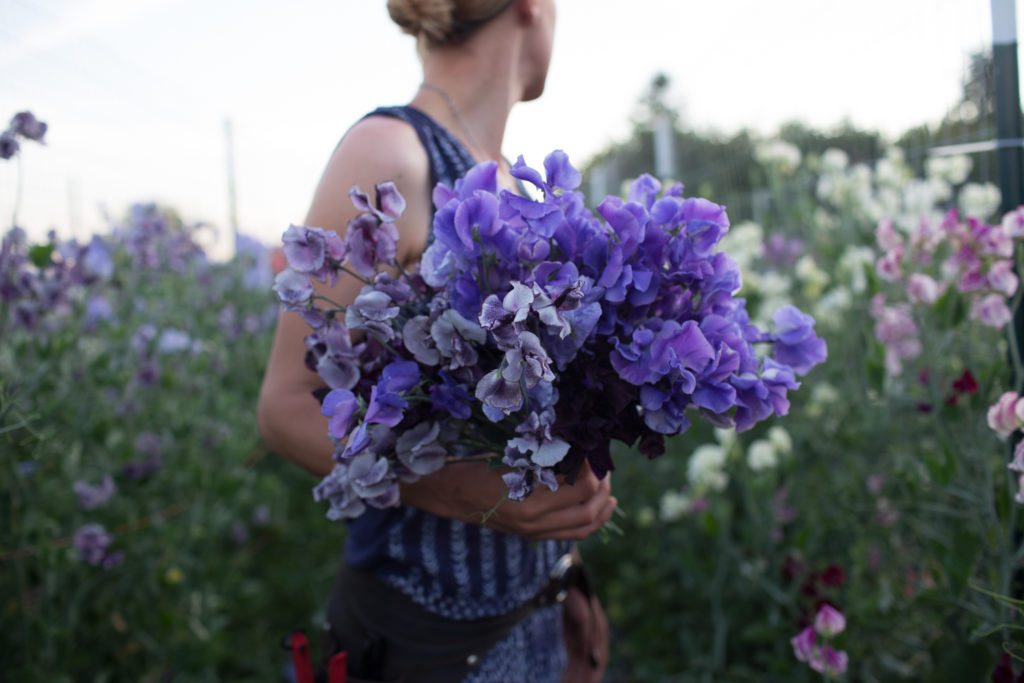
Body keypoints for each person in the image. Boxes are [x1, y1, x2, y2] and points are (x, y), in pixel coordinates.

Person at [257, 1, 613, 680]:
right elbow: (286, 404)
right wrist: (469, 493)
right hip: (429, 639)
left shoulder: (508, 174)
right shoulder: (393, 150)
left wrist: (563, 572)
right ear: (531, 7)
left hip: (531, 623)